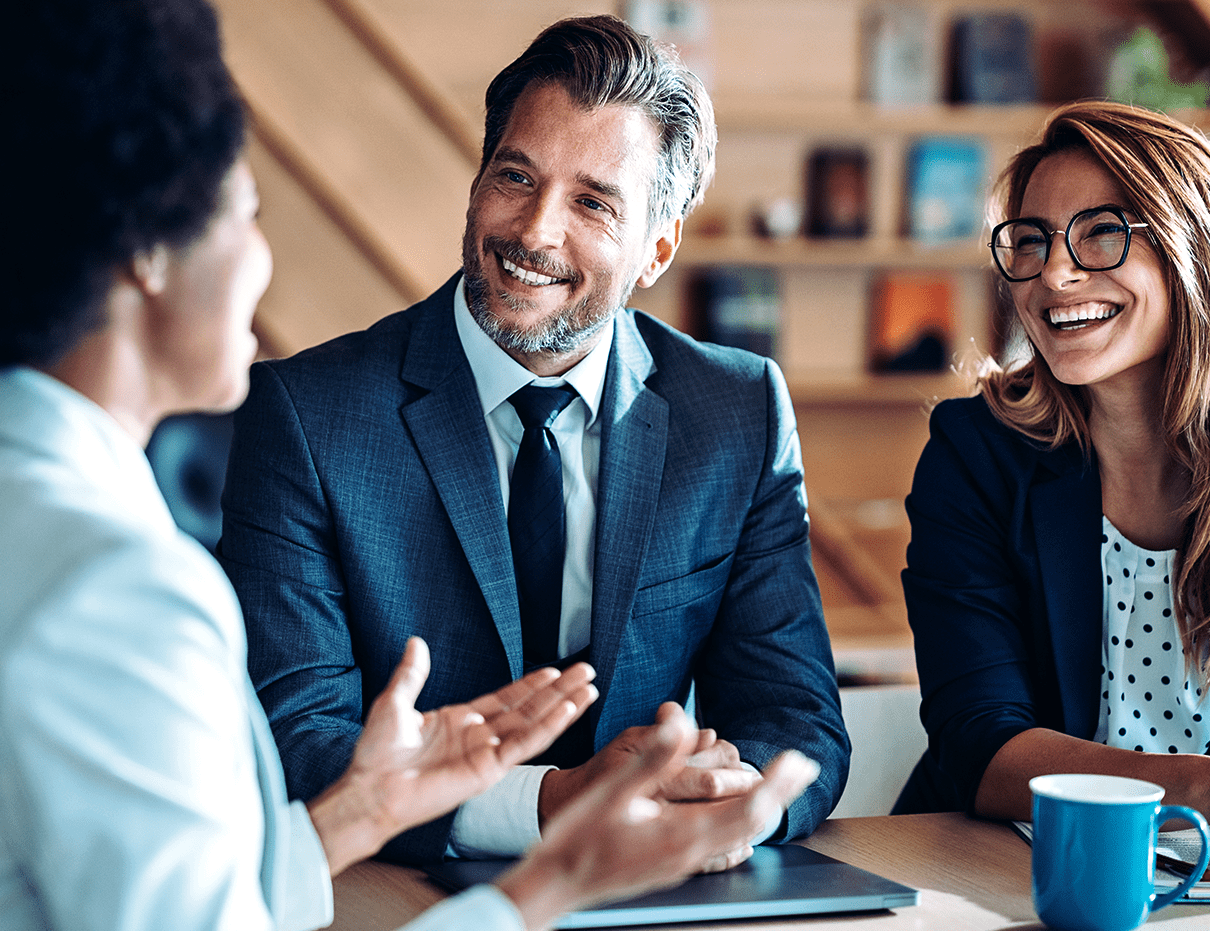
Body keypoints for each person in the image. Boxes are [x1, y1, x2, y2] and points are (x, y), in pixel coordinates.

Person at [0, 2, 820, 930]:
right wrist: (559, 875)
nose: (260, 262)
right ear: (148, 251)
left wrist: (366, 806)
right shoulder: (112, 590)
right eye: (246, 210)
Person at [219, 14, 849, 865]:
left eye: (593, 202)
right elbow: (296, 740)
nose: (535, 231)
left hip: (658, 887)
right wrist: (552, 805)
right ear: (477, 181)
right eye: (516, 176)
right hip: (395, 887)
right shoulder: (307, 416)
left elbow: (797, 717)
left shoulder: (737, 411)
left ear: (656, 249)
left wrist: (722, 802)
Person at [897, 100, 1210, 822]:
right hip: (1004, 860)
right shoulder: (976, 452)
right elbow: (980, 744)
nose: (1054, 275)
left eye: (1102, 232)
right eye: (1031, 241)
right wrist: (1202, 787)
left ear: (1195, 248)